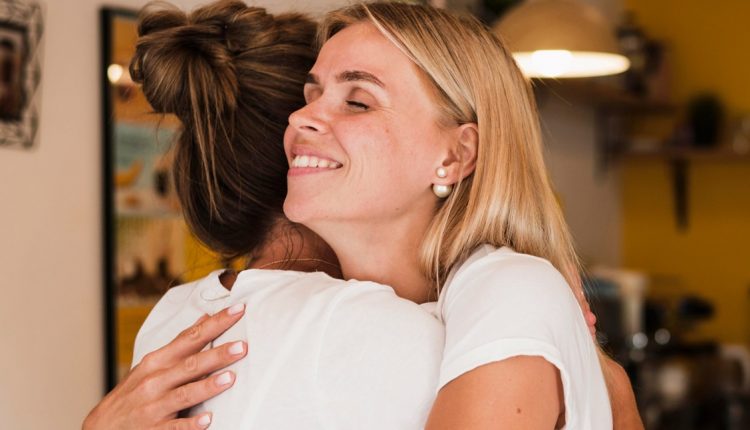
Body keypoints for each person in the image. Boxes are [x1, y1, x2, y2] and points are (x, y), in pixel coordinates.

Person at [83, 1, 643, 429]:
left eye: (357, 101)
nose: (302, 118)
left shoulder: (508, 289)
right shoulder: (444, 314)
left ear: (454, 155)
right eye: (311, 94)